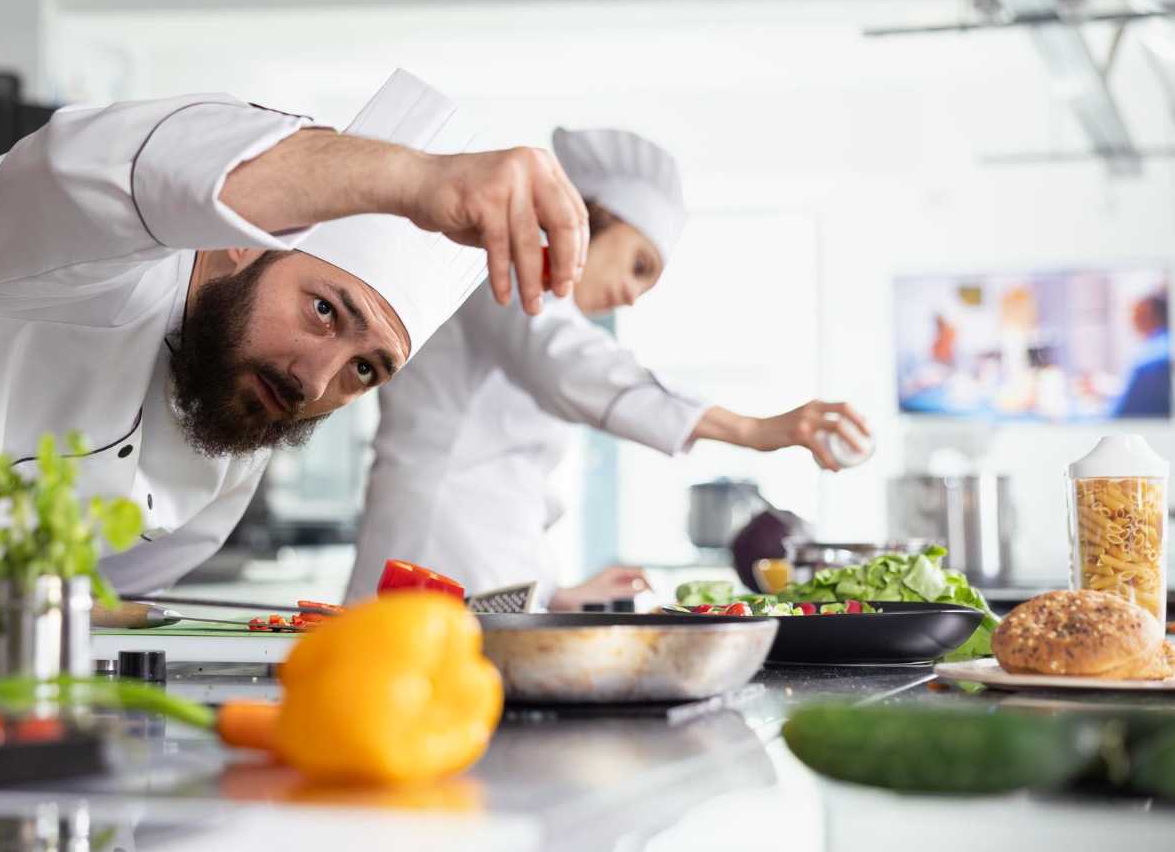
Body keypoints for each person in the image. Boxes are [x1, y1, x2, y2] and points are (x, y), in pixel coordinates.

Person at [0, 71, 589, 695]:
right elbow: (109, 162)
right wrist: (410, 178)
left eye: (364, 369)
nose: (316, 381)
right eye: (323, 310)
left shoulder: (228, 429)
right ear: (244, 235)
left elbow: (106, 597)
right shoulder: (78, 255)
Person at [347, 126, 867, 611]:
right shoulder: (505, 265)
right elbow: (568, 367)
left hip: (479, 564)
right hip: (431, 552)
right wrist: (751, 429)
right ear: (590, 215)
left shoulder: (539, 312)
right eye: (640, 265)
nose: (632, 296)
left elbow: (510, 485)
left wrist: (557, 593)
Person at [1113, 292, 1171, 418]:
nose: (1129, 318)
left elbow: (1124, 414)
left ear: (1146, 310)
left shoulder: (1150, 358)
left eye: (1132, 310)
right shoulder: (1164, 344)